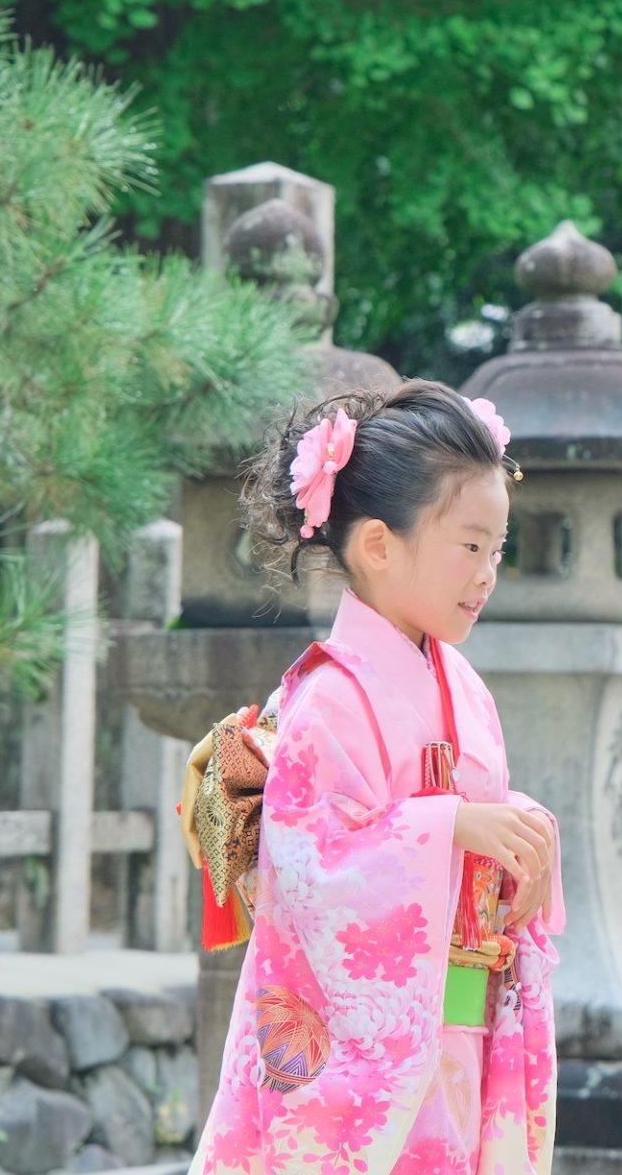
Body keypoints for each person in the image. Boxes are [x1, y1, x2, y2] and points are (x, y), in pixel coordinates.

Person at [191, 380, 564, 1175]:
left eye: (496, 550)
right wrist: (452, 826)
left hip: (455, 1035)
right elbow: (312, 861)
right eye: (469, 546)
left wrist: (521, 835)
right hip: (373, 1053)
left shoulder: (462, 682)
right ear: (377, 545)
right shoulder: (329, 697)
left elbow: (479, 814)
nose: (487, 573)